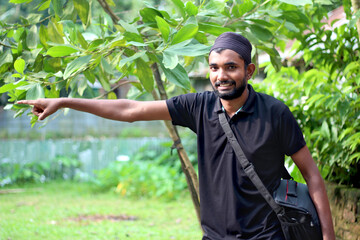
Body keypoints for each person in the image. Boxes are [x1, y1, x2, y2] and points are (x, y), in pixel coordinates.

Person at [17, 32, 335, 240]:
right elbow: (130, 110)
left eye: (230, 67)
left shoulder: (274, 113)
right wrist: (64, 101)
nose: (220, 76)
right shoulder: (198, 106)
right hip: (214, 236)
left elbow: (312, 178)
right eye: (213, 68)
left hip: (267, 235)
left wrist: (328, 237)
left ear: (248, 71)